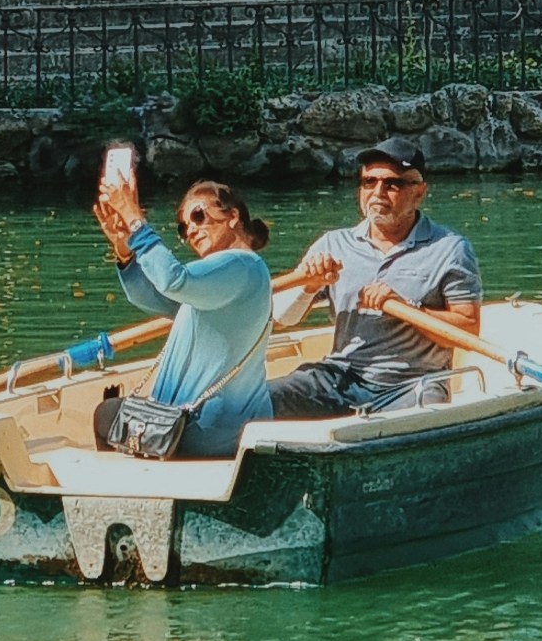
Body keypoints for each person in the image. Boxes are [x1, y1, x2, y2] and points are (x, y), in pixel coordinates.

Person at [272, 138, 482, 420]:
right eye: (369, 182)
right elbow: (284, 319)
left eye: (392, 184)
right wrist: (308, 288)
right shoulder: (333, 244)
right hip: (339, 378)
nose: (377, 192)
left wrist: (406, 309)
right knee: (261, 402)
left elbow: (468, 331)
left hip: (413, 384)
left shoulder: (450, 248)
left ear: (419, 192)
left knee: (424, 415)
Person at [92, 165, 274, 456]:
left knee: (107, 415)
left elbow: (173, 280)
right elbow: (150, 295)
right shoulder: (217, 280)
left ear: (232, 217)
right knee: (109, 413)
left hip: (208, 429)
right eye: (183, 227)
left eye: (198, 216)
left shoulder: (242, 264)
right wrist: (125, 251)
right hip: (194, 424)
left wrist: (135, 219)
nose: (191, 229)